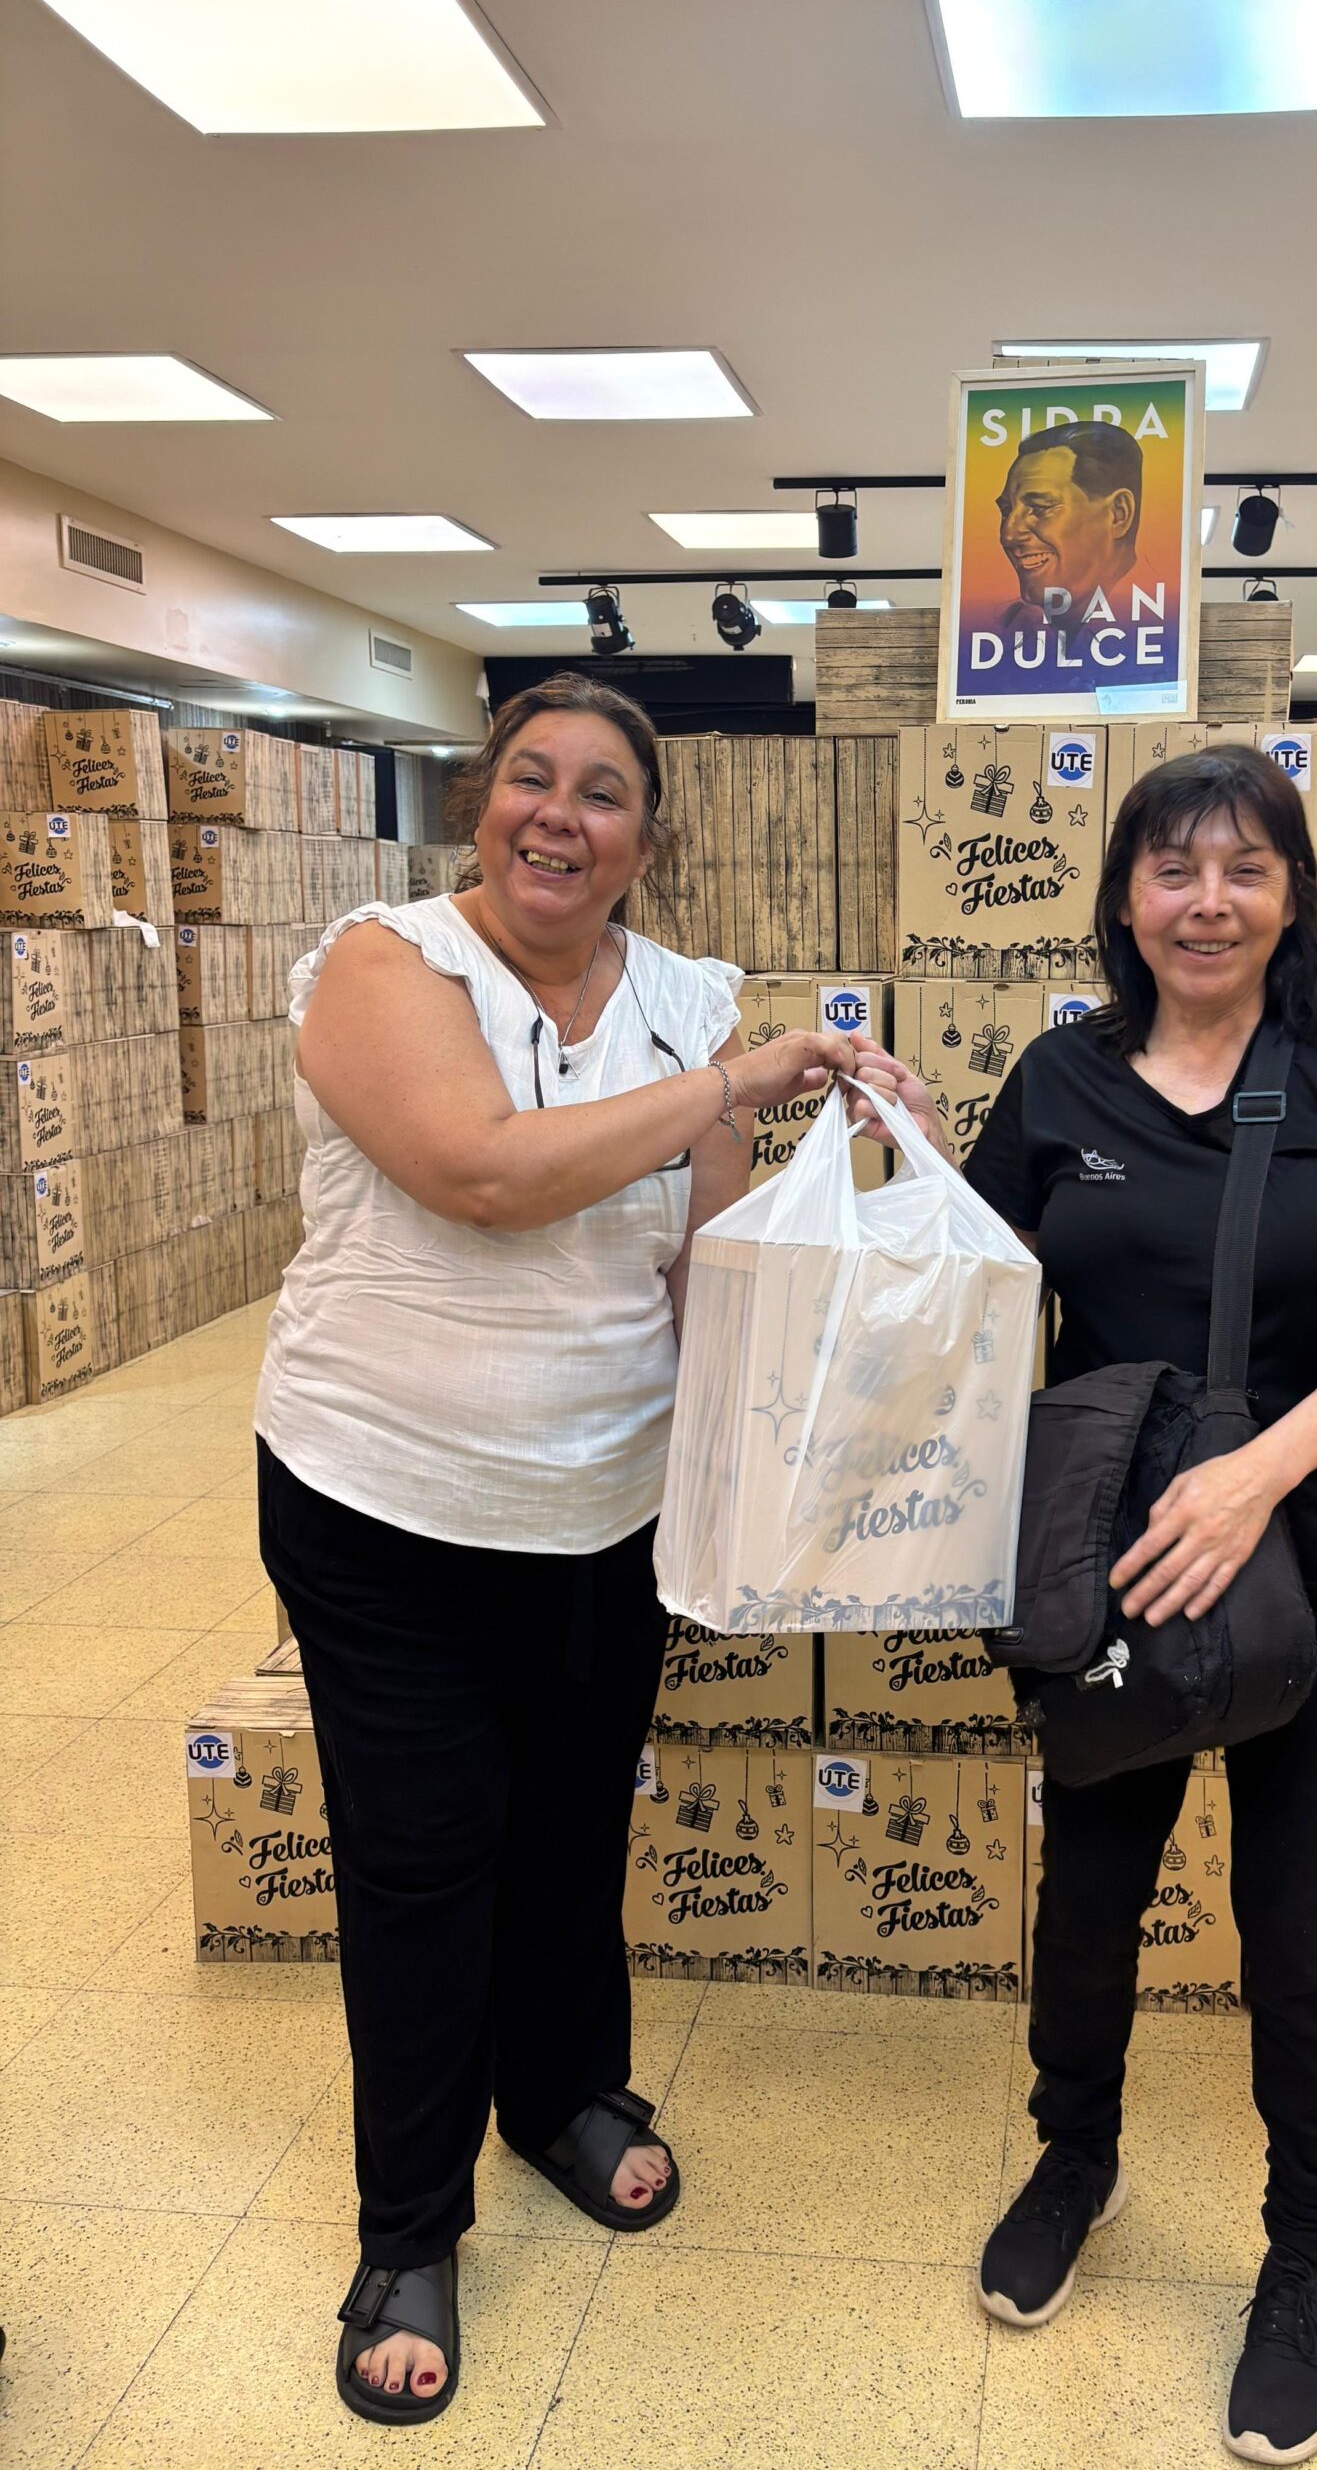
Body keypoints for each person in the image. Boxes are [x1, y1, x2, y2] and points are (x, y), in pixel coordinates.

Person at [849, 745, 1317, 2465]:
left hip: (1308, 1567)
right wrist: (891, 1154)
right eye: (1174, 870)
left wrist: (1253, 1475)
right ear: (1125, 900)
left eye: (1245, 868)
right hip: (1109, 1569)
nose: (1209, 902)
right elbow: (970, 1285)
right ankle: (1076, 2157)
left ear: (1293, 896)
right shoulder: (1061, 1080)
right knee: (1090, 1898)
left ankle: (1307, 2246)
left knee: (1293, 1929)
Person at [254, 674, 855, 2425]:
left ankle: (565, 2098)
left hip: (603, 1506)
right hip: (385, 1500)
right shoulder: (384, 964)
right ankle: (408, 2226)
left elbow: (704, 1262)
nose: (560, 817)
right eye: (532, 778)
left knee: (576, 1829)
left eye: (603, 793)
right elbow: (483, 1172)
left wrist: (845, 1223)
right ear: (480, 801)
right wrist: (734, 1082)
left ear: (644, 840)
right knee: (423, 1858)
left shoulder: (685, 1001)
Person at [993, 418, 1143, 638]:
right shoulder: (1002, 626)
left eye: (1040, 507)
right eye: (1006, 511)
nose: (1009, 534)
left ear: (1118, 514)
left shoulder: (1170, 624)